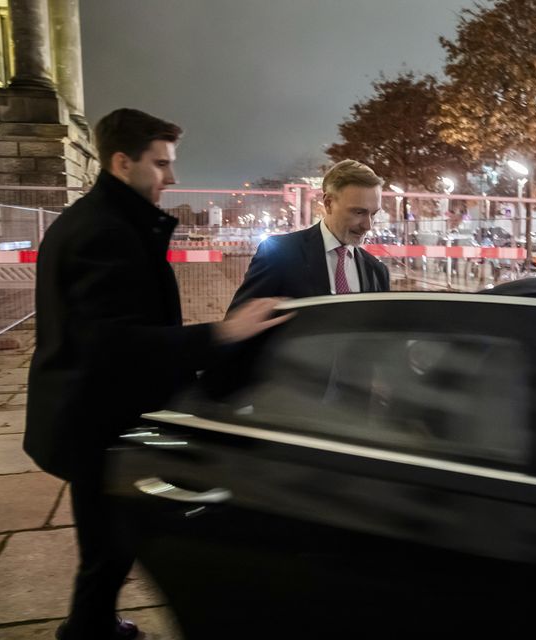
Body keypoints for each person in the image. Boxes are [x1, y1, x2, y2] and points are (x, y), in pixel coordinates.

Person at [24, 108, 290, 640]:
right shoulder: (104, 231)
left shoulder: (109, 221)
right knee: (111, 543)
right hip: (97, 420)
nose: (171, 178)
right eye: (161, 164)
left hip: (95, 414)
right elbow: (111, 342)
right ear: (123, 162)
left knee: (108, 544)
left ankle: (91, 625)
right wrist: (222, 334)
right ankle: (88, 631)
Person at [228, 159, 389, 310]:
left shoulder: (377, 271)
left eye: (373, 214)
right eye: (359, 212)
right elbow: (239, 326)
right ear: (328, 203)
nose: (368, 225)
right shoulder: (279, 254)